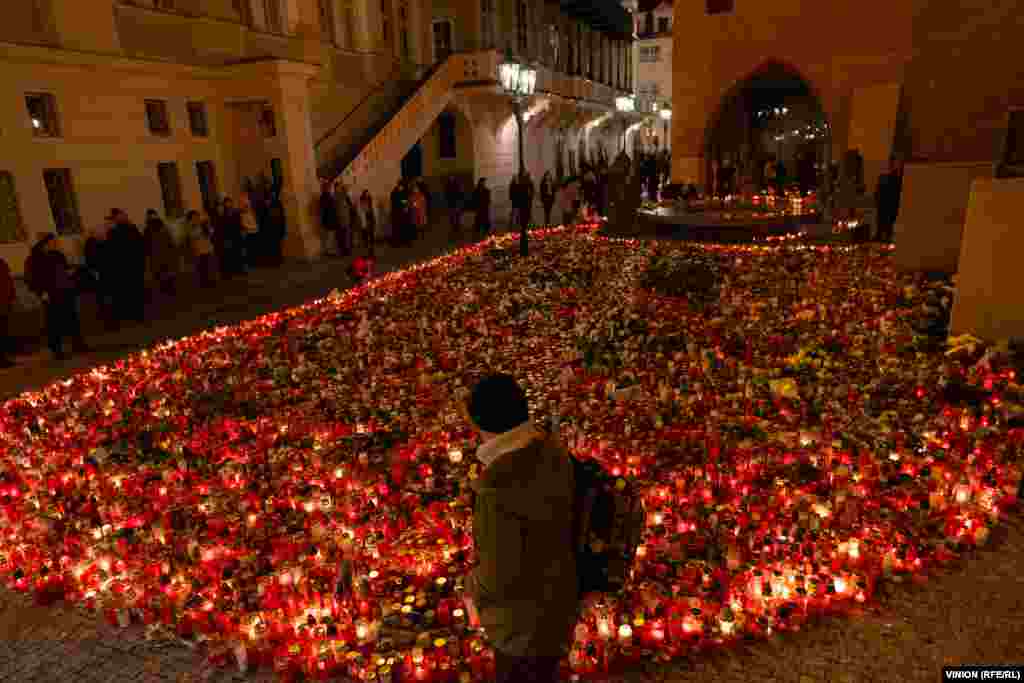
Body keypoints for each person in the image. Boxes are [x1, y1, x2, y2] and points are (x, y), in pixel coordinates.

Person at [462, 374, 578, 683]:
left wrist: (470, 587)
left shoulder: (496, 485)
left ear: (477, 423)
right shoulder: (552, 448)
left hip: (523, 627)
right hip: (562, 598)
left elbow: (498, 573)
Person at [26, 234, 88, 360]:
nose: (56, 244)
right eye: (53, 242)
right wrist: (41, 292)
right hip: (50, 294)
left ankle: (78, 344)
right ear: (46, 243)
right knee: (54, 323)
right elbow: (33, 278)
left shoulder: (57, 255)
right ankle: (57, 350)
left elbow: (64, 269)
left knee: (72, 318)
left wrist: (70, 273)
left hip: (64, 291)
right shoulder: (35, 258)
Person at [107, 209, 146, 323]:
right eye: (120, 216)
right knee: (132, 291)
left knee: (133, 291)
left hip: (130, 266)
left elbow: (139, 246)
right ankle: (135, 314)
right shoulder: (119, 231)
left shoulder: (125, 230)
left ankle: (136, 314)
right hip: (127, 267)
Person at [144, 209, 178, 296]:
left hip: (163, 254)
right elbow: (147, 243)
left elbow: (169, 240)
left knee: (166, 273)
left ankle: (168, 289)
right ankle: (166, 289)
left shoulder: (161, 228)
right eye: (150, 215)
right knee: (162, 274)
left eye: (153, 215)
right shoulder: (148, 229)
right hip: (157, 255)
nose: (152, 217)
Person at [875, 157, 904, 243]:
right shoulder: (885, 179)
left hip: (892, 214)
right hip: (888, 214)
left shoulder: (893, 180)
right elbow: (878, 198)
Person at [186, 210, 215, 288]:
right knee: (201, 268)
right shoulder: (190, 226)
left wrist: (208, 225)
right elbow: (192, 236)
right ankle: (203, 282)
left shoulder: (203, 225)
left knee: (209, 266)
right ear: (190, 218)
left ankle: (210, 281)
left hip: (207, 248)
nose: (196, 218)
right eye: (194, 217)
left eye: (197, 216)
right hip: (198, 250)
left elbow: (211, 233)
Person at [219, 197, 245, 275]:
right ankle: (233, 269)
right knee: (231, 253)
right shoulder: (223, 214)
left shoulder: (236, 212)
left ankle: (240, 269)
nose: (228, 204)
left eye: (230, 202)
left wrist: (242, 230)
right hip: (229, 236)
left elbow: (239, 222)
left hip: (237, 235)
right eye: (227, 203)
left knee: (239, 252)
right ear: (224, 204)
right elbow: (223, 226)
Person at [320, 180, 342, 258]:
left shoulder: (329, 195)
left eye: (329, 187)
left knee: (331, 236)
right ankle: (329, 251)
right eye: (328, 187)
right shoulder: (324, 196)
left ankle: (331, 250)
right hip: (328, 219)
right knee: (329, 236)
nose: (329, 188)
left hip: (332, 218)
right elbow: (323, 209)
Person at [0, 257, 15, 367]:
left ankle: (3, 358)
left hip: (4, 305)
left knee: (3, 333)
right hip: (3, 305)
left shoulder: (2, 264)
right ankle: (2, 359)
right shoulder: (2, 264)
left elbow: (8, 282)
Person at [359, 190, 376, 257]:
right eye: (366, 195)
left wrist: (373, 220)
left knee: (371, 236)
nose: (367, 196)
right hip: (365, 222)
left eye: (368, 195)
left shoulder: (370, 204)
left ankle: (371, 250)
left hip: (370, 221)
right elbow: (361, 213)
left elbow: (372, 213)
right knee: (365, 237)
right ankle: (366, 251)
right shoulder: (362, 204)